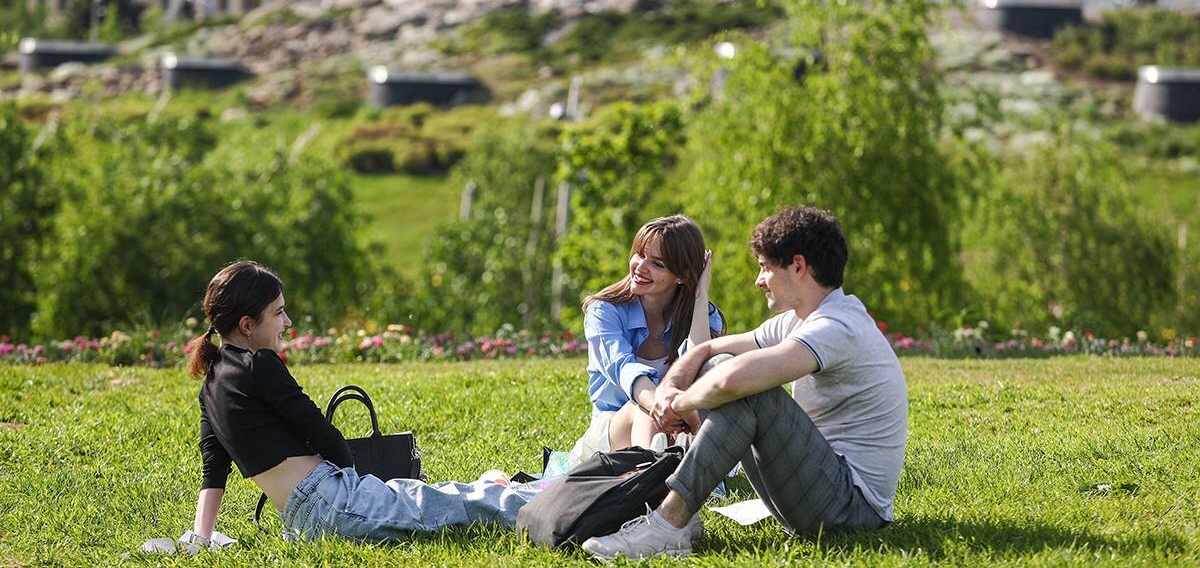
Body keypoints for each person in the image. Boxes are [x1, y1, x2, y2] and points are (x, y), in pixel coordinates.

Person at [583, 207, 908, 559]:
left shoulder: (836, 326)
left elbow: (732, 380)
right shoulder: (797, 321)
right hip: (815, 489)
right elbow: (708, 350)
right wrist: (670, 389)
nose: (759, 280)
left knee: (749, 391)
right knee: (718, 366)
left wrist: (677, 405)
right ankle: (673, 520)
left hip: (852, 511)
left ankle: (668, 524)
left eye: (765, 268)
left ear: (798, 267)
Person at [181, 261, 532, 549]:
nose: (287, 322)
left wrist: (202, 537)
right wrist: (356, 480)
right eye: (279, 313)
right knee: (464, 506)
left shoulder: (210, 386)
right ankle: (547, 498)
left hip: (302, 522)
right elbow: (319, 430)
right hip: (335, 504)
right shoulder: (260, 364)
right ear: (247, 325)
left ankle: (500, 487)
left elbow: (214, 470)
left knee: (432, 498)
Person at [568, 215, 725, 466]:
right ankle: (649, 475)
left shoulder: (703, 315)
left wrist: (700, 293)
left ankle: (671, 466)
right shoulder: (604, 311)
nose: (640, 267)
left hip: (677, 427)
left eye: (657, 264)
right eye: (639, 255)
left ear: (682, 275)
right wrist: (660, 408)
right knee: (641, 408)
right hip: (612, 433)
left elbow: (700, 369)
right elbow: (623, 368)